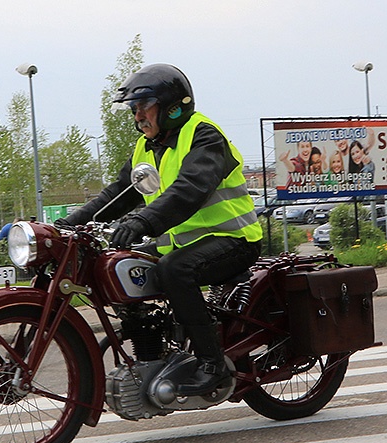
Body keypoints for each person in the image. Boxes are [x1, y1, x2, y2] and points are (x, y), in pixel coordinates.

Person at [55, 63, 262, 397]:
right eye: (134, 110)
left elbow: (189, 190)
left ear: (172, 106)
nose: (138, 116)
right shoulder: (146, 147)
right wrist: (70, 224)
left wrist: (142, 222)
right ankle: (154, 342)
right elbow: (118, 194)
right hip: (181, 243)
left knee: (174, 270)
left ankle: (212, 365)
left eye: (143, 107)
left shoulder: (205, 136)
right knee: (117, 265)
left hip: (233, 239)